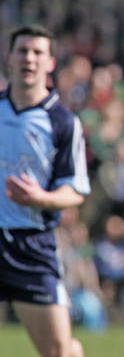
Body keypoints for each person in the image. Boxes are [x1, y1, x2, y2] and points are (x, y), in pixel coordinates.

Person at [0, 25, 90, 357]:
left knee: (60, 354)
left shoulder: (63, 122)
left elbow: (75, 190)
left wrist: (42, 198)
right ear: (9, 57)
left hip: (31, 245)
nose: (29, 58)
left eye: (38, 52)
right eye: (23, 50)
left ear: (50, 63)